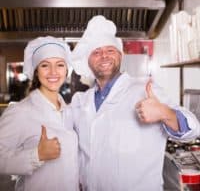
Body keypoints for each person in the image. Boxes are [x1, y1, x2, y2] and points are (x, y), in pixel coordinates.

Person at [69, 15, 200, 191]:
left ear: (120, 55)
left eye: (110, 50)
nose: (104, 56)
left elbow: (192, 129)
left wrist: (164, 112)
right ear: (88, 60)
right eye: (96, 52)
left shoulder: (145, 89)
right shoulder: (80, 102)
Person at [0, 36, 79, 191]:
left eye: (60, 65)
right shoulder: (20, 112)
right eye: (45, 65)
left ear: (66, 70)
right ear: (36, 71)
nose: (53, 72)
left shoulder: (70, 111)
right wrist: (37, 155)